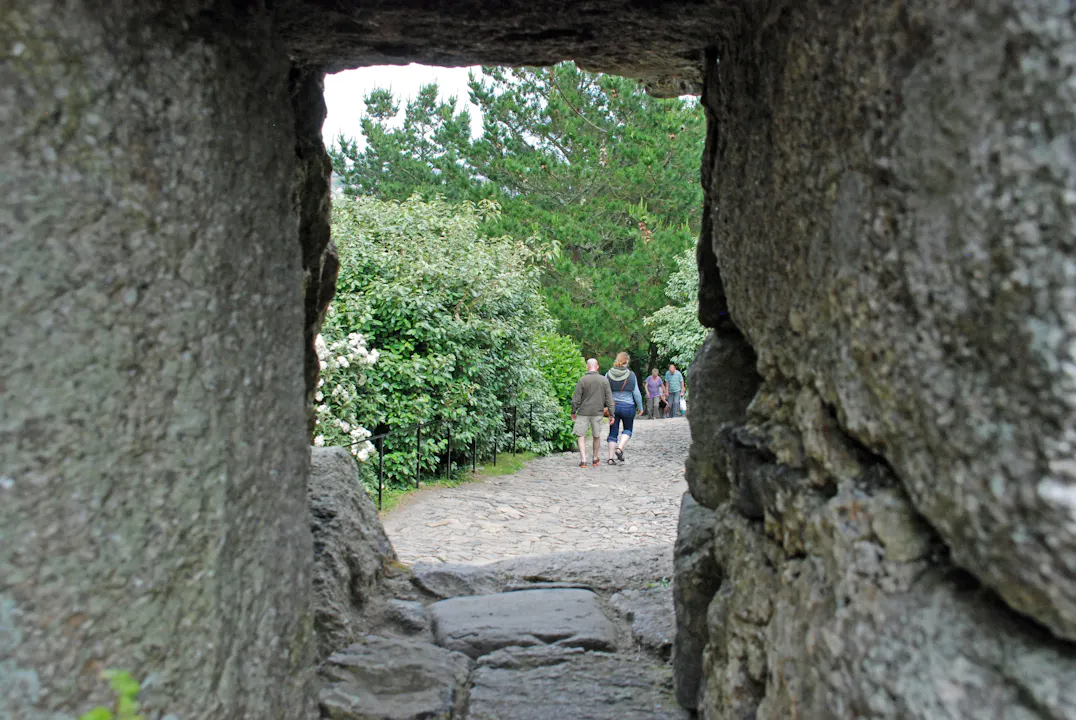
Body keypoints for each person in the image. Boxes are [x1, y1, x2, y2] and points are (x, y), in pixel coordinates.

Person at [571, 358, 615, 468]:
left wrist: (573, 411)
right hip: (598, 412)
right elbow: (609, 398)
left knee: (581, 435)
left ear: (587, 366)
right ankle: (595, 458)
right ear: (598, 367)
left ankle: (583, 460)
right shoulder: (604, 380)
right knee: (596, 435)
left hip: (583, 412)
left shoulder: (582, 380)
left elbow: (576, 398)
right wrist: (612, 413)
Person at [605, 352, 643, 464]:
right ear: (626, 361)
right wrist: (640, 407)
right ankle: (620, 448)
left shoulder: (608, 374)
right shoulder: (631, 375)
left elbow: (604, 390)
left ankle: (611, 458)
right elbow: (636, 393)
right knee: (628, 429)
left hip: (614, 406)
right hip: (628, 406)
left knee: (613, 432)